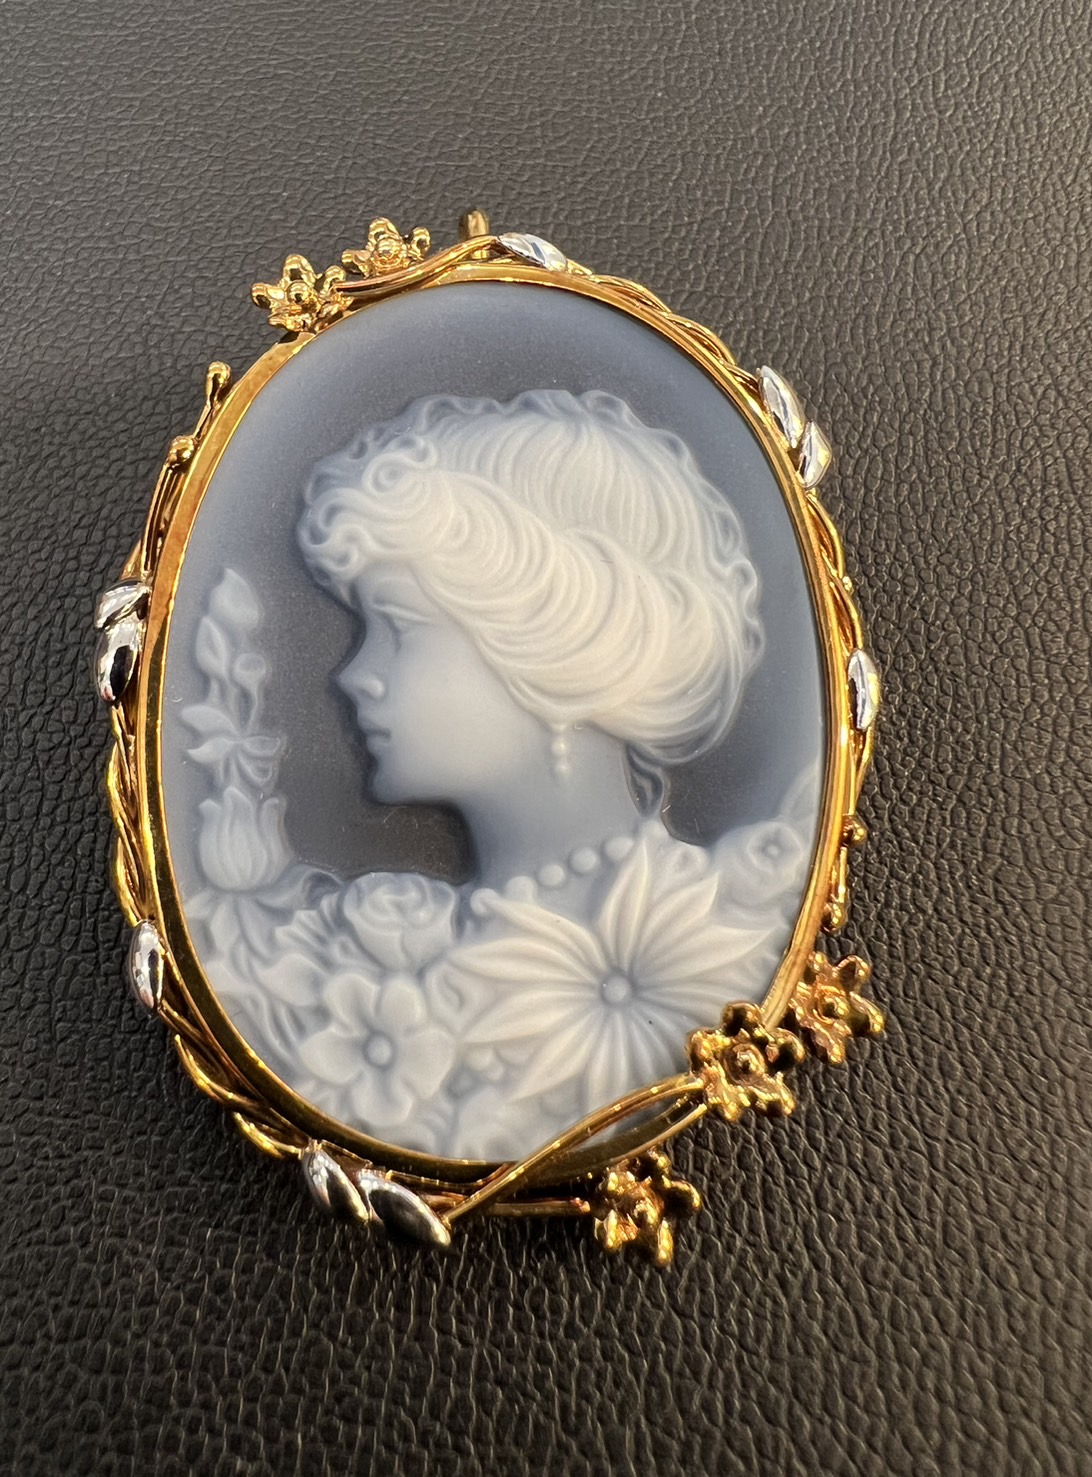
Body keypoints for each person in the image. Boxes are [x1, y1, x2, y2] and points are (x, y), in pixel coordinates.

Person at [183, 390, 815, 1161]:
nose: (355, 675)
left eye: (400, 628)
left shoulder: (733, 939)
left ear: (560, 646)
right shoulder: (338, 968)